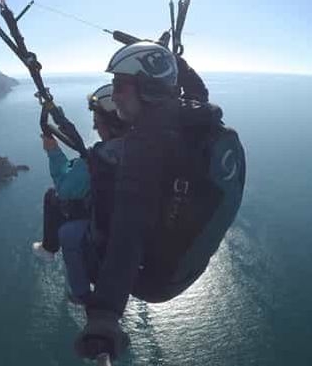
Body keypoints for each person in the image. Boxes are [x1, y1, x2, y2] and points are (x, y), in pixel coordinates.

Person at [73, 41, 245, 361]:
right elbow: (197, 89)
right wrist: (172, 61)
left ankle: (78, 287)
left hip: (154, 282)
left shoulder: (143, 147)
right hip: (189, 267)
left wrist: (105, 314)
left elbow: (127, 235)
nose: (114, 95)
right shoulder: (196, 118)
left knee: (71, 222)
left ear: (148, 89)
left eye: (120, 86)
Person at [32, 84, 128, 303]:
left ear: (110, 124)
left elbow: (65, 189)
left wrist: (53, 152)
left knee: (62, 218)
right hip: (137, 222)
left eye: (97, 122)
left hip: (109, 229)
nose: (95, 127)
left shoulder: (101, 158)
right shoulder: (146, 146)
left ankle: (55, 258)